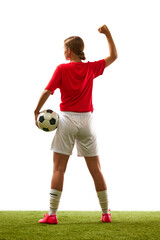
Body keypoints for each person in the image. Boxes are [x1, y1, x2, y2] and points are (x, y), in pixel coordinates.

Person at [34, 24, 117, 224]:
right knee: (96, 169)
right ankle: (106, 213)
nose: (63, 52)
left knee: (58, 169)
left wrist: (36, 111)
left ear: (69, 51)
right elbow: (113, 56)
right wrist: (108, 34)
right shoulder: (90, 68)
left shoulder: (62, 68)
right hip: (87, 121)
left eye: (64, 49)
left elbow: (47, 91)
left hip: (67, 120)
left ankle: (52, 215)